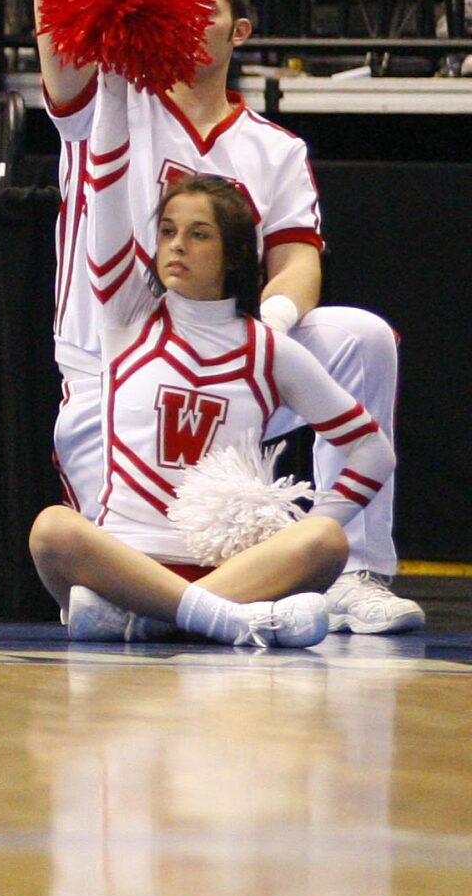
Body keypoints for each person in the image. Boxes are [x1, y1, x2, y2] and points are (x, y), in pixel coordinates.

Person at [31, 0, 422, 635]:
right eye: (171, 3)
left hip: (233, 346)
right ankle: (207, 607)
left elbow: (299, 259)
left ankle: (357, 569)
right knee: (105, 544)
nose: (181, 16)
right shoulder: (114, 99)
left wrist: (262, 336)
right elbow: (56, 8)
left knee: (358, 336)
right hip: (116, 347)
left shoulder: (273, 148)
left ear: (238, 34)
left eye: (201, 8)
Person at [28, 77, 375, 647]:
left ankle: (160, 619)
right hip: (130, 562)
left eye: (198, 234)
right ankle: (224, 621)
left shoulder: (267, 347)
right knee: (53, 529)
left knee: (326, 541)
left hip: (231, 567)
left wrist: (300, 513)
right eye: (166, 232)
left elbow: (369, 446)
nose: (176, 246)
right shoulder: (127, 320)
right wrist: (113, 83)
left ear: (237, 253)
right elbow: (105, 182)